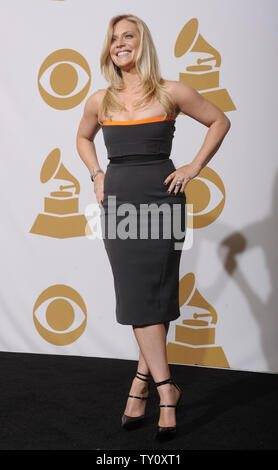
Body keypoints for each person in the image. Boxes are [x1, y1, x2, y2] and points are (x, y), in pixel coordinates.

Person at [76, 13, 231, 440]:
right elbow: (83, 139)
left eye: (128, 36)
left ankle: (148, 388)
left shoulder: (172, 91)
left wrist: (194, 167)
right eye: (113, 39)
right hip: (119, 205)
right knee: (136, 297)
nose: (120, 43)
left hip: (165, 202)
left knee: (156, 295)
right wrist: (96, 174)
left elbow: (220, 120)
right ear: (108, 49)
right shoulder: (100, 100)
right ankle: (163, 389)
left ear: (143, 43)